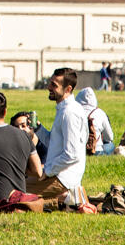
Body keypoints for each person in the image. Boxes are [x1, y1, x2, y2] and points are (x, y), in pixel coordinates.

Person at [28, 68, 87, 209]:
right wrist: (38, 130)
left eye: (54, 85)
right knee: (17, 185)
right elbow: (55, 143)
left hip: (62, 178)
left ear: (68, 89)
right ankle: (65, 199)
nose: (49, 87)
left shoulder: (69, 113)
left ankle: (67, 199)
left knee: (16, 193)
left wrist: (47, 171)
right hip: (58, 174)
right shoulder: (64, 109)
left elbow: (72, 154)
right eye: (50, 83)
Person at [74, 87, 114, 155]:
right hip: (96, 150)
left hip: (76, 151)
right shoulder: (100, 113)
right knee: (111, 145)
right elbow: (109, 137)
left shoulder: (73, 112)